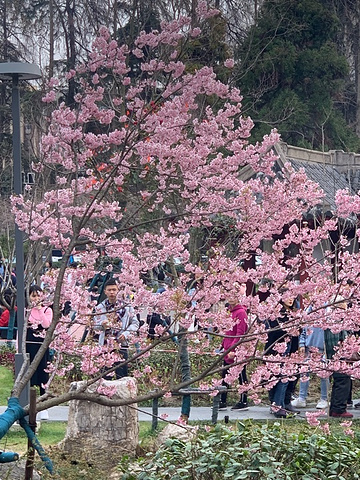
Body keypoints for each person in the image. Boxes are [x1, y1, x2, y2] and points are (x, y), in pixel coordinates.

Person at [94, 278, 139, 379]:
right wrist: (102, 325)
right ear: (105, 291)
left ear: (118, 290)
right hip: (105, 345)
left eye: (114, 290)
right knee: (105, 377)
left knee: (122, 375)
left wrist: (126, 334)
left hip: (120, 344)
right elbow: (95, 326)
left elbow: (135, 323)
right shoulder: (100, 308)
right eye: (109, 290)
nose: (112, 292)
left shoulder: (126, 307)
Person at [264, 291, 297, 418]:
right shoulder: (277, 313)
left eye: (292, 296)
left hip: (289, 349)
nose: (290, 299)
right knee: (281, 378)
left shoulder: (293, 312)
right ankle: (277, 405)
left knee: (288, 377)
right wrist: (289, 328)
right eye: (287, 296)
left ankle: (283, 403)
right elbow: (273, 331)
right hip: (277, 349)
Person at [219, 283, 249, 411]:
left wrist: (234, 349)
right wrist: (222, 345)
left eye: (234, 295)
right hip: (227, 347)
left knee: (241, 374)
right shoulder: (228, 312)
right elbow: (227, 331)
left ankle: (243, 400)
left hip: (237, 349)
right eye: (229, 295)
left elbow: (240, 333)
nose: (231, 298)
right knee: (225, 374)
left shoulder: (241, 313)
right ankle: (222, 400)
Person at [26, 285, 53, 420]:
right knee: (29, 375)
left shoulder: (47, 310)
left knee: (43, 374)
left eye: (38, 295)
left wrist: (39, 310)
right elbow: (22, 330)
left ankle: (43, 407)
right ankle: (28, 405)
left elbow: (47, 325)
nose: (36, 298)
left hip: (42, 347)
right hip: (29, 346)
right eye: (33, 296)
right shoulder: (26, 312)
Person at [324, 296, 353, 418]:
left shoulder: (336, 318)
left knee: (340, 381)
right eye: (344, 303)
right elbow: (334, 342)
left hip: (337, 356)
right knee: (342, 380)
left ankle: (336, 408)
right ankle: (339, 409)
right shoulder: (335, 320)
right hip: (338, 356)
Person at [291, 321, 329, 410]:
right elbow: (304, 331)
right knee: (304, 373)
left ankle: (324, 398)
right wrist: (301, 344)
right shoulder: (309, 311)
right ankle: (301, 398)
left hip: (322, 349)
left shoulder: (328, 313)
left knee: (324, 375)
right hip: (308, 348)